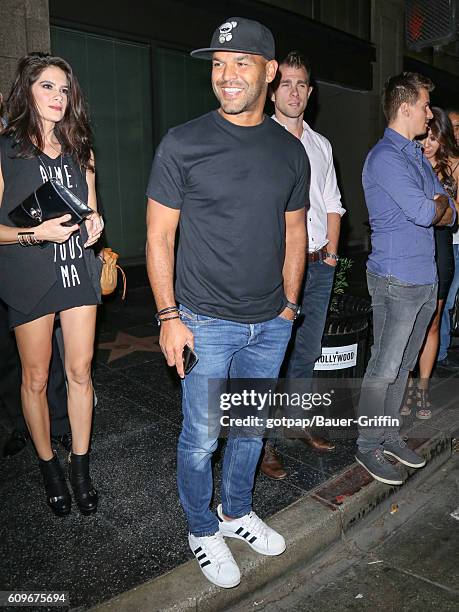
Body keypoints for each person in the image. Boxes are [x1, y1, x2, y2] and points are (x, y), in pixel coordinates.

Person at [146, 18, 309, 588]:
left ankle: (236, 512)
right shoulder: (183, 143)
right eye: (218, 63)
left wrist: (288, 307)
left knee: (249, 430)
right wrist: (169, 317)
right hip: (203, 321)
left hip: (269, 323)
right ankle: (200, 527)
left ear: (270, 71)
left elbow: (295, 235)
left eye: (241, 62)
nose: (226, 74)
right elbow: (158, 238)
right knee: (202, 437)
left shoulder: (291, 153)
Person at [0, 53, 104, 516]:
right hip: (28, 273)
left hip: (76, 268)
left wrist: (97, 223)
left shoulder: (82, 148)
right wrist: (36, 233)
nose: (58, 97)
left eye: (64, 89)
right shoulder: (6, 149)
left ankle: (80, 465)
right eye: (47, 87)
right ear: (27, 90)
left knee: (80, 372)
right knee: (37, 377)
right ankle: (49, 466)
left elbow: (92, 210)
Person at [355, 72, 455, 486]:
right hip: (395, 278)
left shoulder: (414, 155)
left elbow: (449, 205)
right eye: (426, 106)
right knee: (384, 365)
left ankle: (387, 433)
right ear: (406, 107)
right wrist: (439, 205)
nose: (430, 115)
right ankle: (366, 444)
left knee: (404, 365)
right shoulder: (385, 158)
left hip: (424, 275)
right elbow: (423, 211)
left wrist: (441, 204)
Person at [259, 51, 345, 480]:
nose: (293, 92)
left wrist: (330, 256)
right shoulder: (259, 137)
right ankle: (264, 443)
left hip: (318, 265)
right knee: (272, 355)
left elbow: (332, 203)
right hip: (275, 269)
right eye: (286, 84)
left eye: (301, 84)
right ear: (273, 90)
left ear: (309, 93)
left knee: (306, 354)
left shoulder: (320, 144)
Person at [402, 108, 459, 416]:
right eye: (425, 137)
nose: (429, 143)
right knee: (411, 323)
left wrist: (440, 206)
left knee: (434, 321)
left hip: (441, 250)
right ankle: (407, 388)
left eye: (435, 138)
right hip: (412, 250)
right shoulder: (407, 164)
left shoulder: (452, 168)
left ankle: (422, 390)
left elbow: (454, 213)